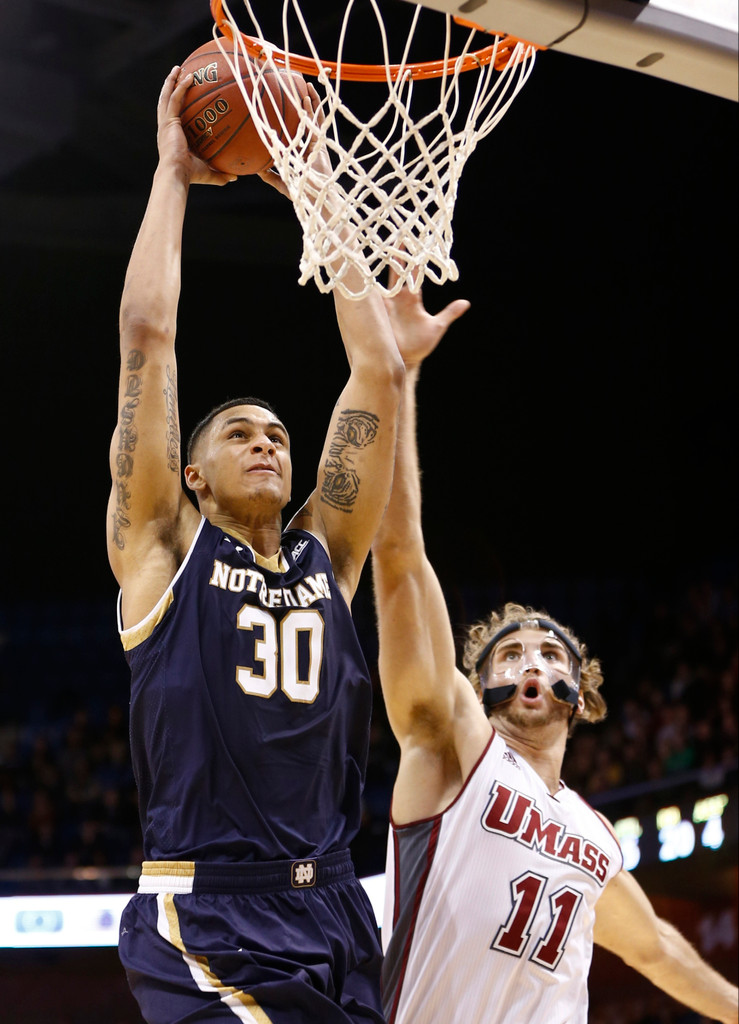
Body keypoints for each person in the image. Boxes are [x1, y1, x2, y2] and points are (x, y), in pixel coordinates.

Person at [107, 65, 404, 1024]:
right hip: (210, 909)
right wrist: (171, 172)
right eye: (239, 432)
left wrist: (314, 177)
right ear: (191, 476)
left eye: (277, 431)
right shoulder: (162, 548)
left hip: (335, 909)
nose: (268, 440)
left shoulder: (329, 559)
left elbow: (378, 371)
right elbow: (148, 334)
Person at [371, 282, 739, 1024]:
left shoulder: (593, 835)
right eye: (508, 655)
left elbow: (658, 950)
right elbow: (402, 559)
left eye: (549, 653)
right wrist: (399, 378)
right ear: (476, 687)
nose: (530, 662)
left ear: (582, 692)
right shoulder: (452, 745)